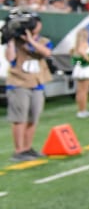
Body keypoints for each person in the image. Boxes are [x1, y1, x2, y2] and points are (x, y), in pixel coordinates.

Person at [4, 10, 53, 161]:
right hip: (19, 83)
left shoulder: (43, 40)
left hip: (37, 83)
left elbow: (47, 53)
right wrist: (11, 40)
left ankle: (27, 147)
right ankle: (18, 150)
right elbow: (10, 58)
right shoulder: (16, 42)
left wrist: (31, 41)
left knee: (33, 118)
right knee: (20, 118)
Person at [70, 27, 89, 118]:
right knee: (84, 91)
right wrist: (88, 58)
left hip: (79, 68)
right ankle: (83, 110)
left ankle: (80, 110)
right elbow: (82, 51)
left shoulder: (77, 44)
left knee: (80, 91)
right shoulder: (85, 44)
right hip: (85, 69)